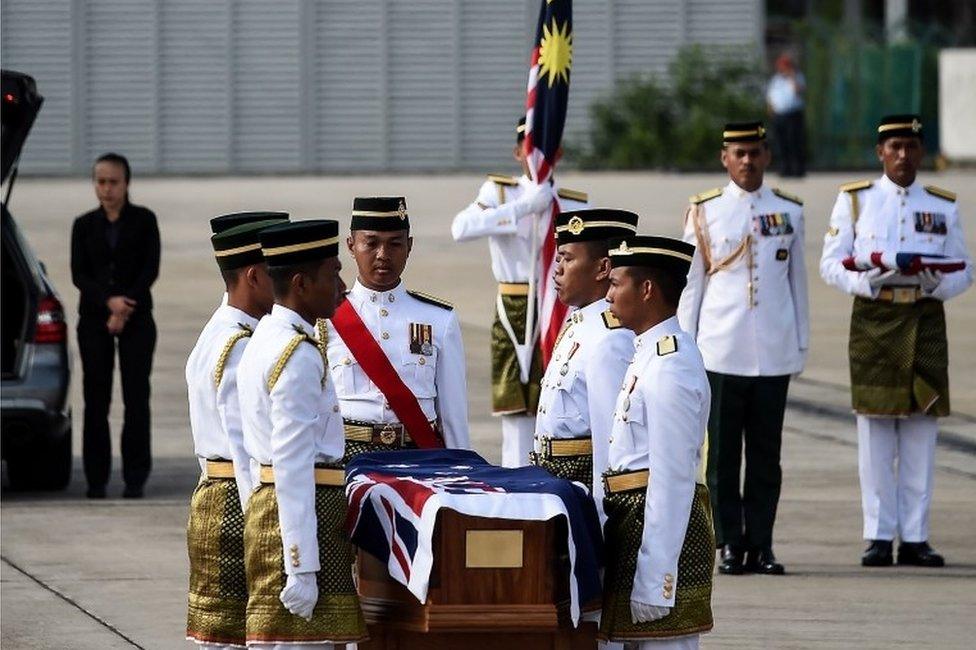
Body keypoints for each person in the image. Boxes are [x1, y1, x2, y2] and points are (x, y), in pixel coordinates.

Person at [820, 114, 972, 568]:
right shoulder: (855, 202)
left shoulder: (942, 205)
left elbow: (965, 267)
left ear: (922, 152)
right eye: (894, 147)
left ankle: (917, 536)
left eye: (911, 146)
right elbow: (831, 264)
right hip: (874, 316)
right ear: (880, 152)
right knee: (875, 434)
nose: (903, 155)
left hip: (925, 316)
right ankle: (879, 535)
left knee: (922, 431)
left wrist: (935, 286)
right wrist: (870, 282)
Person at [678, 121, 808, 576]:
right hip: (720, 350)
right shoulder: (705, 211)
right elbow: (691, 286)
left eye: (755, 152)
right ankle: (730, 543)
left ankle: (763, 543)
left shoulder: (788, 211)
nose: (748, 160)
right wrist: (686, 348)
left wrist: (799, 344)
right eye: (739, 153)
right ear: (725, 158)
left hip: (773, 351)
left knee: (766, 458)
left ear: (767, 156)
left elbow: (797, 284)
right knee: (723, 457)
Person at [237, 220, 367, 646]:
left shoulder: (267, 337)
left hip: (277, 513)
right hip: (296, 526)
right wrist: (300, 565)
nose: (342, 284)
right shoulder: (297, 354)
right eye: (332, 273)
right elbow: (292, 463)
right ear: (300, 282)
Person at [452, 117, 589, 468]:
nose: (538, 156)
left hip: (560, 306)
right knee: (516, 409)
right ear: (518, 152)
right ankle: (516, 481)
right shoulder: (500, 193)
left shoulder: (573, 205)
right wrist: (523, 208)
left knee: (560, 402)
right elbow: (461, 228)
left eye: (545, 149)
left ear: (557, 152)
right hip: (515, 306)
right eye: (530, 149)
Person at [599, 235, 714, 650]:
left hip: (661, 538)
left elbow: (672, 477)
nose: (608, 293)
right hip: (634, 525)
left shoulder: (671, 366)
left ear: (646, 289)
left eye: (616, 283)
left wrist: (657, 581)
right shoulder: (649, 352)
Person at [184, 217, 284, 648]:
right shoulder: (239, 343)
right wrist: (263, 525)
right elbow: (244, 447)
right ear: (254, 276)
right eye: (276, 271)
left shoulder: (222, 330)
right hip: (236, 502)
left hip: (219, 493)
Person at [326, 196, 469, 460]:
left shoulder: (439, 319)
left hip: (417, 458)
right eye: (371, 243)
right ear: (351, 245)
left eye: (394, 244)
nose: (383, 255)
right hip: (347, 460)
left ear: (409, 246)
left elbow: (453, 416)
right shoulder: (326, 319)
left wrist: (462, 470)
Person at [531, 208, 638, 511]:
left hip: (582, 494)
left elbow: (611, 442)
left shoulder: (610, 339)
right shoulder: (579, 325)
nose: (557, 270)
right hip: (554, 486)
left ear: (603, 267)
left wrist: (602, 518)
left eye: (567, 258)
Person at [70, 152, 160, 499]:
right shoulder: (83, 224)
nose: (106, 189)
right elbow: (80, 273)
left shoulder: (144, 220)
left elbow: (149, 268)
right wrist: (108, 302)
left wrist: (124, 308)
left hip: (137, 317)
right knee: (96, 398)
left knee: (137, 396)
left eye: (113, 182)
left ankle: (135, 477)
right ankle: (96, 478)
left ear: (126, 184)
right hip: (94, 318)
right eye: (100, 182)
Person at [766, 52, 806, 178]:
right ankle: (784, 168)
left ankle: (797, 169)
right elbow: (770, 95)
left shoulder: (797, 77)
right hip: (779, 115)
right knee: (780, 143)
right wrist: (770, 109)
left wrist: (792, 76)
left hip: (793, 114)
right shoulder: (776, 79)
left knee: (794, 142)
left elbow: (798, 90)